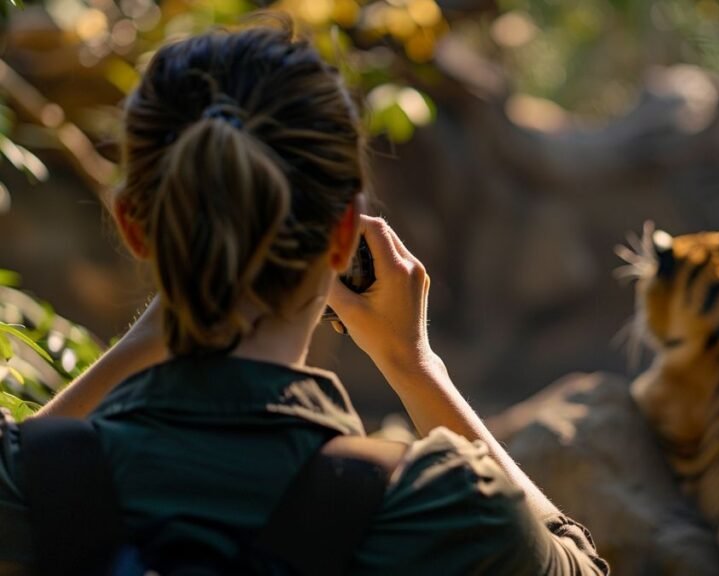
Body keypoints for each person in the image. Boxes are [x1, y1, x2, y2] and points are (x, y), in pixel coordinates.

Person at [0, 20, 608, 575]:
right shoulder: (447, 514)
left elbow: (22, 463)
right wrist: (415, 366)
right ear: (343, 235)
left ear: (133, 226)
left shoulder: (23, 488)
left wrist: (152, 337)